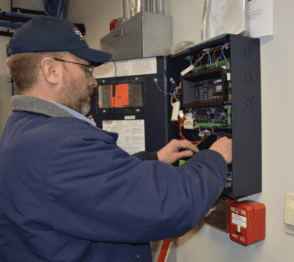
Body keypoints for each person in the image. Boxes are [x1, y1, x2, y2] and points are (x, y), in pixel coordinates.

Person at [0, 16, 232, 262]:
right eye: (86, 68)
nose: (92, 80)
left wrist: (154, 158)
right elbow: (166, 207)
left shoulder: (20, 129)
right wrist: (214, 159)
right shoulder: (62, 143)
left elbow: (93, 184)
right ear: (52, 70)